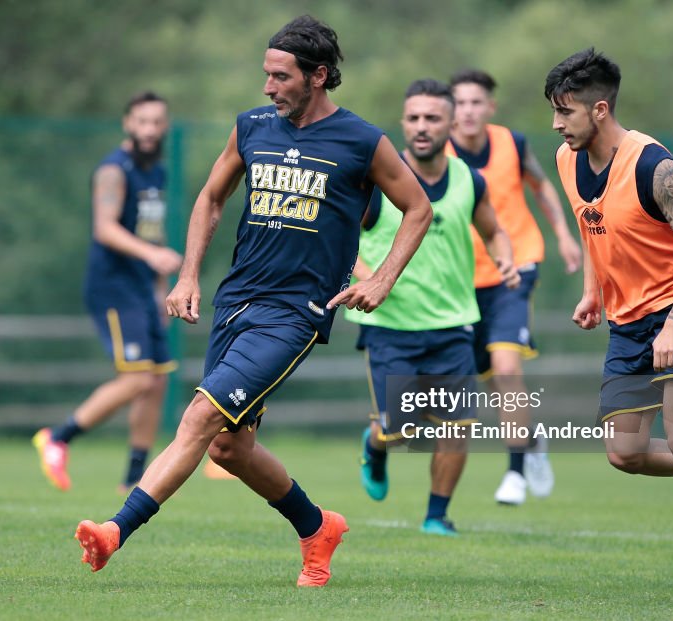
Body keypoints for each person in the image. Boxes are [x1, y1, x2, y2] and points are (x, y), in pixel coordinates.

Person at [73, 15, 433, 587]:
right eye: (266, 74)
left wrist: (382, 279)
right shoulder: (251, 127)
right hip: (236, 302)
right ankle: (318, 527)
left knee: (198, 416)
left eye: (280, 76)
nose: (268, 86)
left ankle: (116, 531)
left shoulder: (363, 141)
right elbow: (212, 197)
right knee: (229, 449)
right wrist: (189, 275)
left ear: (318, 76)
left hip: (295, 315)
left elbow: (419, 208)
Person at [546, 48, 673, 596]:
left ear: (601, 110)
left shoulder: (654, 167)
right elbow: (595, 228)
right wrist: (593, 291)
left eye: (565, 112)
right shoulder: (569, 159)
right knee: (625, 453)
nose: (556, 123)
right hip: (628, 321)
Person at [350, 79, 518, 536]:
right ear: (403, 123)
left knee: (457, 424)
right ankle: (376, 444)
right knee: (399, 429)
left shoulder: (469, 178)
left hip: (452, 324)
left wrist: (504, 255)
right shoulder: (378, 179)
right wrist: (367, 277)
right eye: (414, 118)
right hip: (389, 324)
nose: (422, 127)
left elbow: (494, 230)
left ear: (451, 122)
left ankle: (436, 516)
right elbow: (341, 241)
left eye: (432, 118)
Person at [33, 92, 182, 494]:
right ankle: (57, 438)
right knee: (136, 379)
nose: (149, 130)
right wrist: (154, 257)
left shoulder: (158, 173)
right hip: (113, 287)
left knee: (157, 381)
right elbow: (105, 228)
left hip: (142, 288)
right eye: (142, 122)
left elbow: (154, 232)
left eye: (156, 122)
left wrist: (161, 290)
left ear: (164, 126)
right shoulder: (113, 171)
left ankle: (134, 477)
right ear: (127, 124)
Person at [446, 69, 583, 506]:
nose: (467, 111)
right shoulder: (434, 152)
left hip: (515, 267)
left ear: (490, 107)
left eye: (475, 102)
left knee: (506, 369)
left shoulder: (512, 143)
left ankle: (515, 474)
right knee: (488, 379)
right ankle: (531, 438)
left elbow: (542, 186)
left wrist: (563, 233)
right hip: (462, 280)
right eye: (460, 103)